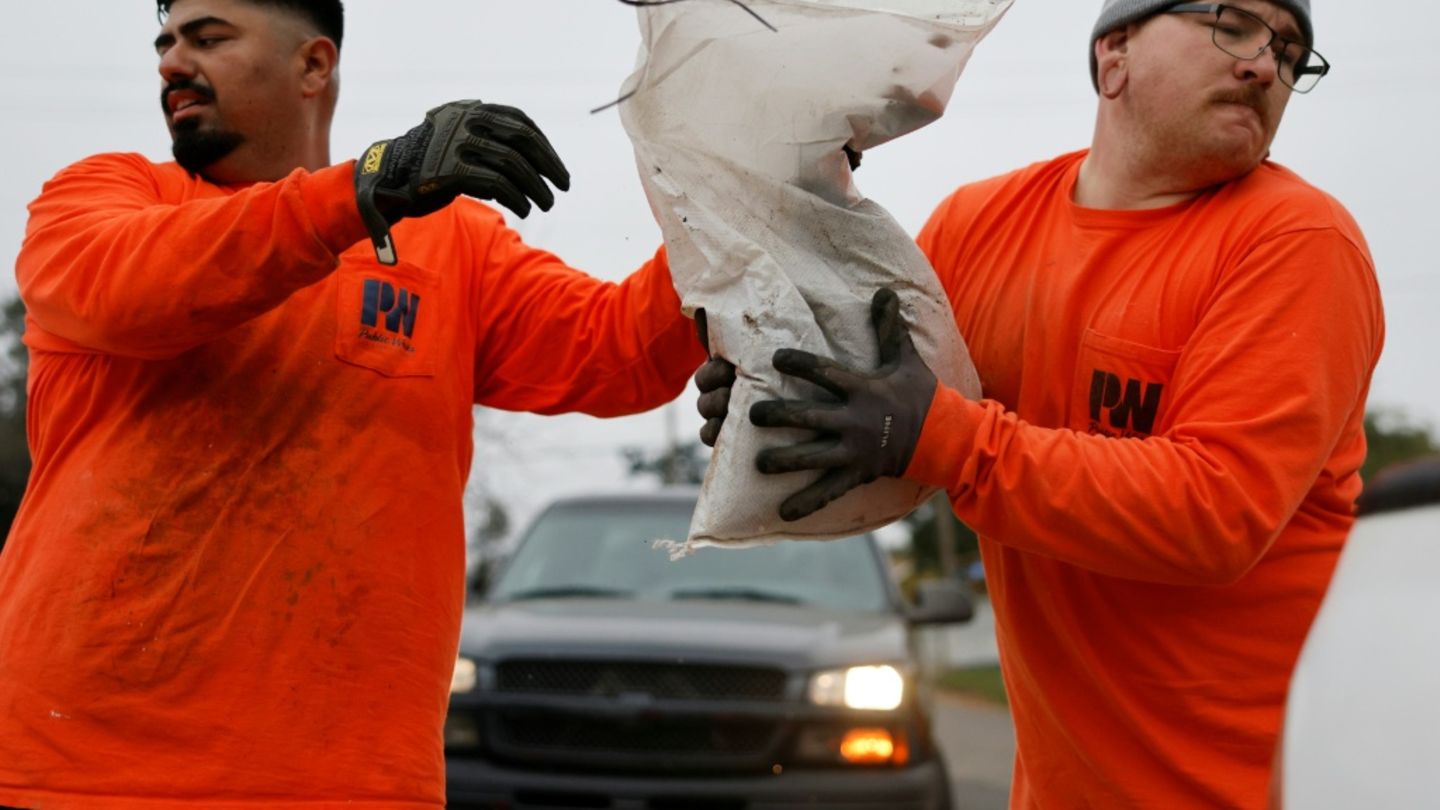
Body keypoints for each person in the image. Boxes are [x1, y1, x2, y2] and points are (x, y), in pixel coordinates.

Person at [0, 0, 704, 807]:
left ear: (313, 65)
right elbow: (131, 292)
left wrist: (737, 207)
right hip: (82, 768)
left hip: (355, 778)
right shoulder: (106, 196)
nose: (171, 62)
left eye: (208, 37)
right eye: (165, 42)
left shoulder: (452, 243)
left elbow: (618, 353)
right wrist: (367, 187)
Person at [698, 0, 1384, 806]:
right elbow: (887, 414)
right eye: (1232, 25)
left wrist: (943, 439)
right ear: (1115, 54)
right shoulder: (980, 226)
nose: (1265, 66)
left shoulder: (1297, 242)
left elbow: (1217, 513)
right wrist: (779, 393)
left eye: (1291, 53)